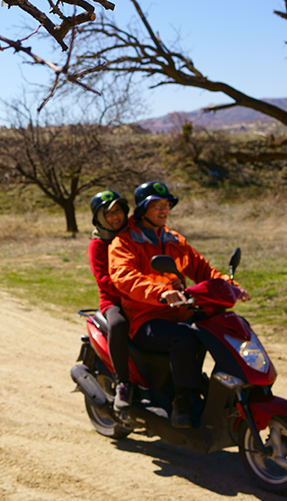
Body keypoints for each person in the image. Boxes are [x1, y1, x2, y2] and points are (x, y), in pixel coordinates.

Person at [108, 181, 247, 428]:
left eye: (167, 205)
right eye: (156, 205)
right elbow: (124, 277)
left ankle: (214, 385)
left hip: (179, 313)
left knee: (218, 328)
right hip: (146, 317)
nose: (164, 210)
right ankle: (183, 400)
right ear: (141, 209)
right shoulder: (125, 242)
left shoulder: (174, 240)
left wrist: (229, 285)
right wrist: (161, 293)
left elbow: (203, 270)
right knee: (184, 338)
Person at [87, 190, 132, 410]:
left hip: (143, 298)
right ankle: (123, 382)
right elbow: (104, 280)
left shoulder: (134, 236)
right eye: (108, 213)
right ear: (99, 218)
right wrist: (133, 292)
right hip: (114, 301)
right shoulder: (97, 245)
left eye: (118, 211)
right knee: (118, 324)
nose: (116, 217)